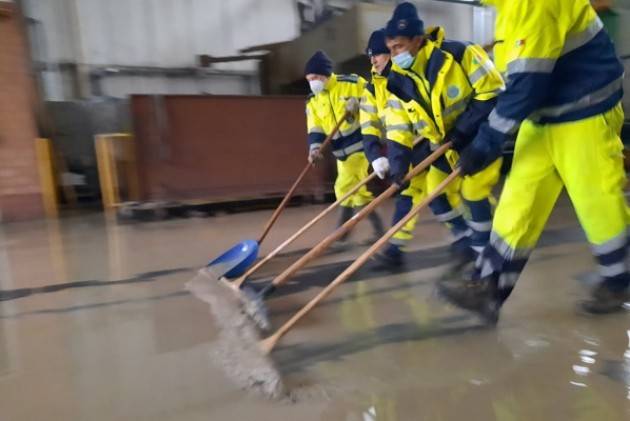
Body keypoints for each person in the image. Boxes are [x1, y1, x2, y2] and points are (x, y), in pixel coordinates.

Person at [439, 0, 629, 321]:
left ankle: (618, 280)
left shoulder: (532, 4)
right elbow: (515, 81)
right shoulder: (506, 9)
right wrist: (467, 129)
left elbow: (527, 85)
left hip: (585, 110)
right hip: (543, 115)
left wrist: (486, 142)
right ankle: (489, 287)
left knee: (596, 200)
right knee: (517, 201)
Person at [383, 2, 505, 264]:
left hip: (480, 139)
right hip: (444, 148)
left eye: (399, 47)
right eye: (390, 49)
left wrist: (461, 131)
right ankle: (465, 238)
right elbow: (397, 126)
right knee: (434, 192)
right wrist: (399, 166)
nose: (394, 55)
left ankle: (486, 255)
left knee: (474, 193)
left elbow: (493, 93)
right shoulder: (397, 79)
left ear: (418, 39)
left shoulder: (460, 54)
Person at [305, 50, 385, 245]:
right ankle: (377, 231)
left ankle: (342, 234)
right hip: (340, 152)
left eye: (315, 77)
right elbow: (315, 127)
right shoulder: (313, 101)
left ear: (325, 74)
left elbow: (375, 97)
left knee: (344, 186)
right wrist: (314, 149)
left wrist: (358, 102)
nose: (312, 82)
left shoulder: (351, 83)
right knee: (352, 192)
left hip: (360, 145)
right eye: (309, 79)